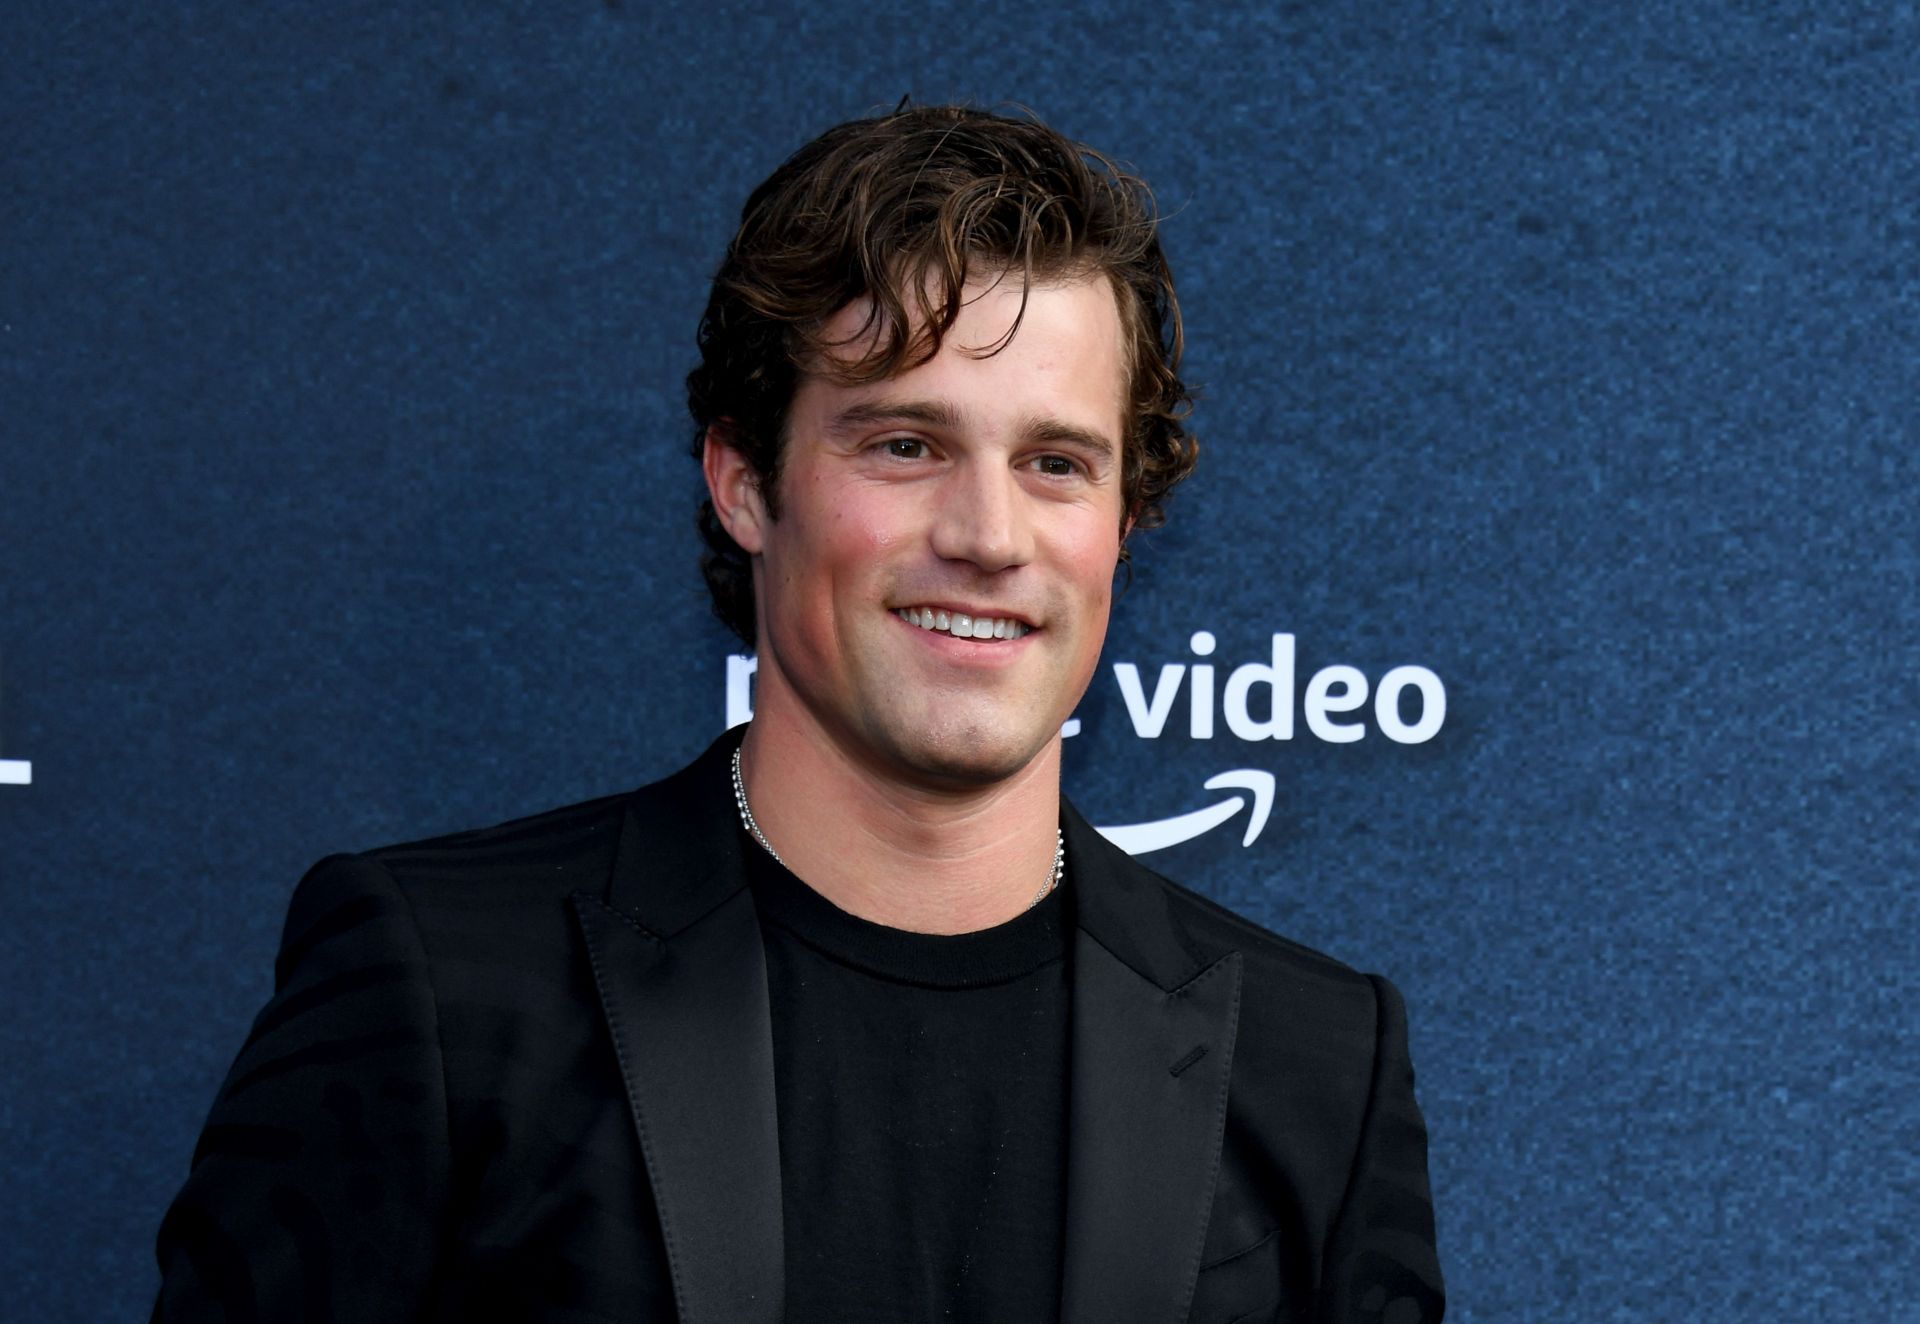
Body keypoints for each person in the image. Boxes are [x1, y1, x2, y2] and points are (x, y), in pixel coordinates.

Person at [153, 104, 1444, 1323]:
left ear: (1123, 523)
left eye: (1055, 464)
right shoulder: (438, 993)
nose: (989, 537)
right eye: (904, 446)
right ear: (744, 486)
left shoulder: (1311, 1062)